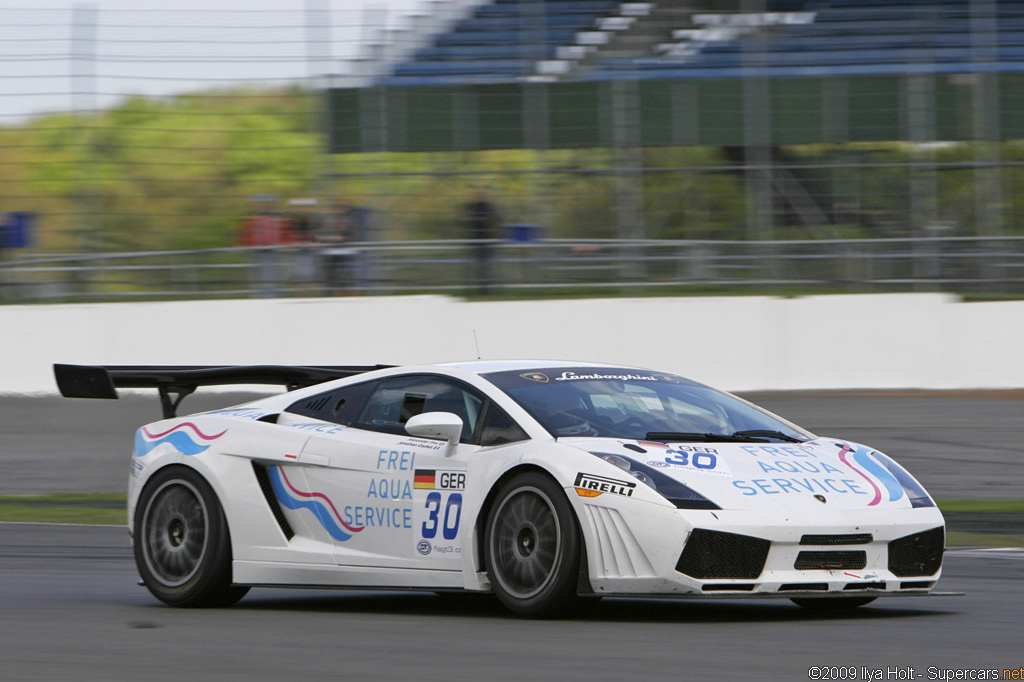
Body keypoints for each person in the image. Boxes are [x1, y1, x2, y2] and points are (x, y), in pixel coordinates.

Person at [236, 195, 294, 298]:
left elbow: (286, 235)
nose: (264, 206)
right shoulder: (250, 220)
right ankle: (259, 297)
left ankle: (272, 296)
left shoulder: (279, 220)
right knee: (257, 276)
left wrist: (284, 245)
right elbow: (243, 235)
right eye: (260, 203)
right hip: (255, 252)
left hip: (274, 252)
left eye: (267, 203)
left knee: (273, 275)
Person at [462, 186, 501, 295]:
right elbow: (467, 222)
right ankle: (481, 288)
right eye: (480, 193)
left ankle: (486, 288)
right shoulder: (472, 207)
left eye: (485, 193)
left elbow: (496, 220)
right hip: (476, 240)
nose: (482, 195)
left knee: (486, 265)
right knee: (479, 266)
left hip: (488, 240)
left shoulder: (491, 207)